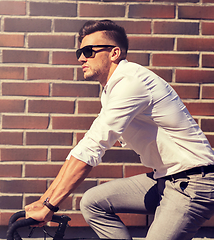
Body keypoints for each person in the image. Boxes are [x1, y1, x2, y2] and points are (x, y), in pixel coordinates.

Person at [25, 20, 214, 240]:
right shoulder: (111, 90)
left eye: (88, 51)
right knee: (93, 202)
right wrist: (44, 200)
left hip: (194, 183)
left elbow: (92, 147)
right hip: (165, 179)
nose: (81, 58)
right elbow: (83, 147)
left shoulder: (131, 83)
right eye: (79, 52)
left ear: (115, 53)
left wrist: (50, 205)